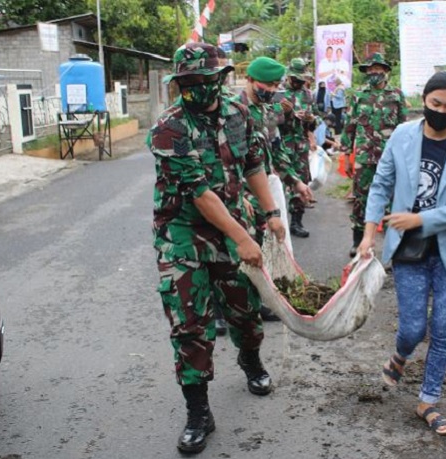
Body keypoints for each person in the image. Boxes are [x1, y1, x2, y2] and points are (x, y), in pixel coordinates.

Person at [147, 42, 286, 454]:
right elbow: (201, 194)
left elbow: (254, 165)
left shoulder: (238, 113)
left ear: (220, 79)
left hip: (232, 228)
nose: (196, 90)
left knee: (244, 309)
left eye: (204, 81)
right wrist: (243, 238)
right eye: (187, 83)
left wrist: (271, 213)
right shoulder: (169, 127)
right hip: (182, 234)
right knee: (189, 324)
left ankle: (251, 361)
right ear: (179, 85)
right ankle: (198, 412)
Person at [357, 71, 446, 436]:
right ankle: (401, 355)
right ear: (424, 100)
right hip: (408, 251)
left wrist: (419, 218)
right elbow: (380, 184)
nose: (441, 111)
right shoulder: (402, 135)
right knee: (413, 327)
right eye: (435, 104)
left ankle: (428, 401)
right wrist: (369, 236)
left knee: (444, 328)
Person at [234, 56, 314, 322]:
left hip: (264, 187)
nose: (270, 89)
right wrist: (237, 194)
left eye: (275, 85)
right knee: (236, 248)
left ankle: (260, 301)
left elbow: (276, 152)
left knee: (264, 245)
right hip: (239, 190)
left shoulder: (268, 112)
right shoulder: (232, 110)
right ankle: (225, 309)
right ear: (249, 80)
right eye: (265, 84)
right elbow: (224, 157)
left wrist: (296, 181)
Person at [341, 52, 407, 256]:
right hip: (363, 158)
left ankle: (391, 246)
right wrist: (346, 156)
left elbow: (403, 128)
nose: (374, 73)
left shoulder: (396, 95)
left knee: (392, 201)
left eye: (377, 69)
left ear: (386, 71)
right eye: (370, 70)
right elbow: (349, 126)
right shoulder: (358, 96)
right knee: (361, 200)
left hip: (390, 158)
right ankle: (358, 241)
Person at [279, 58, 317, 238]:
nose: (299, 83)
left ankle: (296, 221)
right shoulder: (278, 93)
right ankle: (274, 218)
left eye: (302, 80)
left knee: (301, 180)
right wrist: (288, 114)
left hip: (300, 144)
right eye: (296, 79)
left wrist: (311, 121)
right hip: (282, 144)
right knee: (279, 180)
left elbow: (313, 122)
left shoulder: (308, 95)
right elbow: (269, 122)